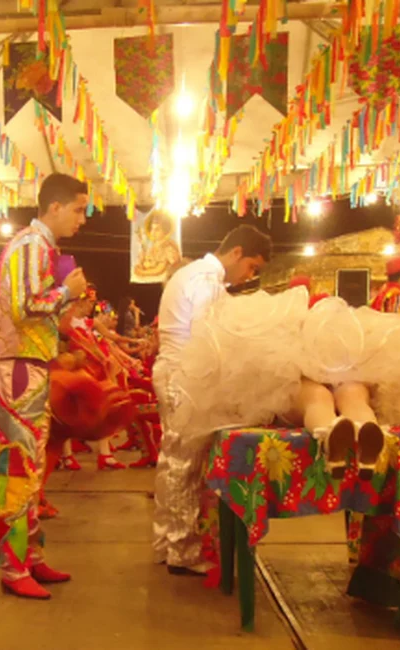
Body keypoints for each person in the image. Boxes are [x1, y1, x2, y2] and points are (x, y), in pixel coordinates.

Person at [0, 173, 88, 600]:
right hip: (17, 368)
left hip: (28, 365)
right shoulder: (30, 246)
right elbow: (26, 305)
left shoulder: (39, 247)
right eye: (79, 209)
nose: (83, 220)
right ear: (55, 207)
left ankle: (29, 558)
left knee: (29, 468)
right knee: (16, 469)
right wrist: (67, 291)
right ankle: (13, 568)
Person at [152, 225, 270, 576]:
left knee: (173, 461)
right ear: (236, 253)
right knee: (183, 467)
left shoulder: (198, 275)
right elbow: (210, 338)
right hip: (185, 375)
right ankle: (182, 552)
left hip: (179, 372)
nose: (249, 275)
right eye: (252, 267)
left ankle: (168, 542)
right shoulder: (205, 279)